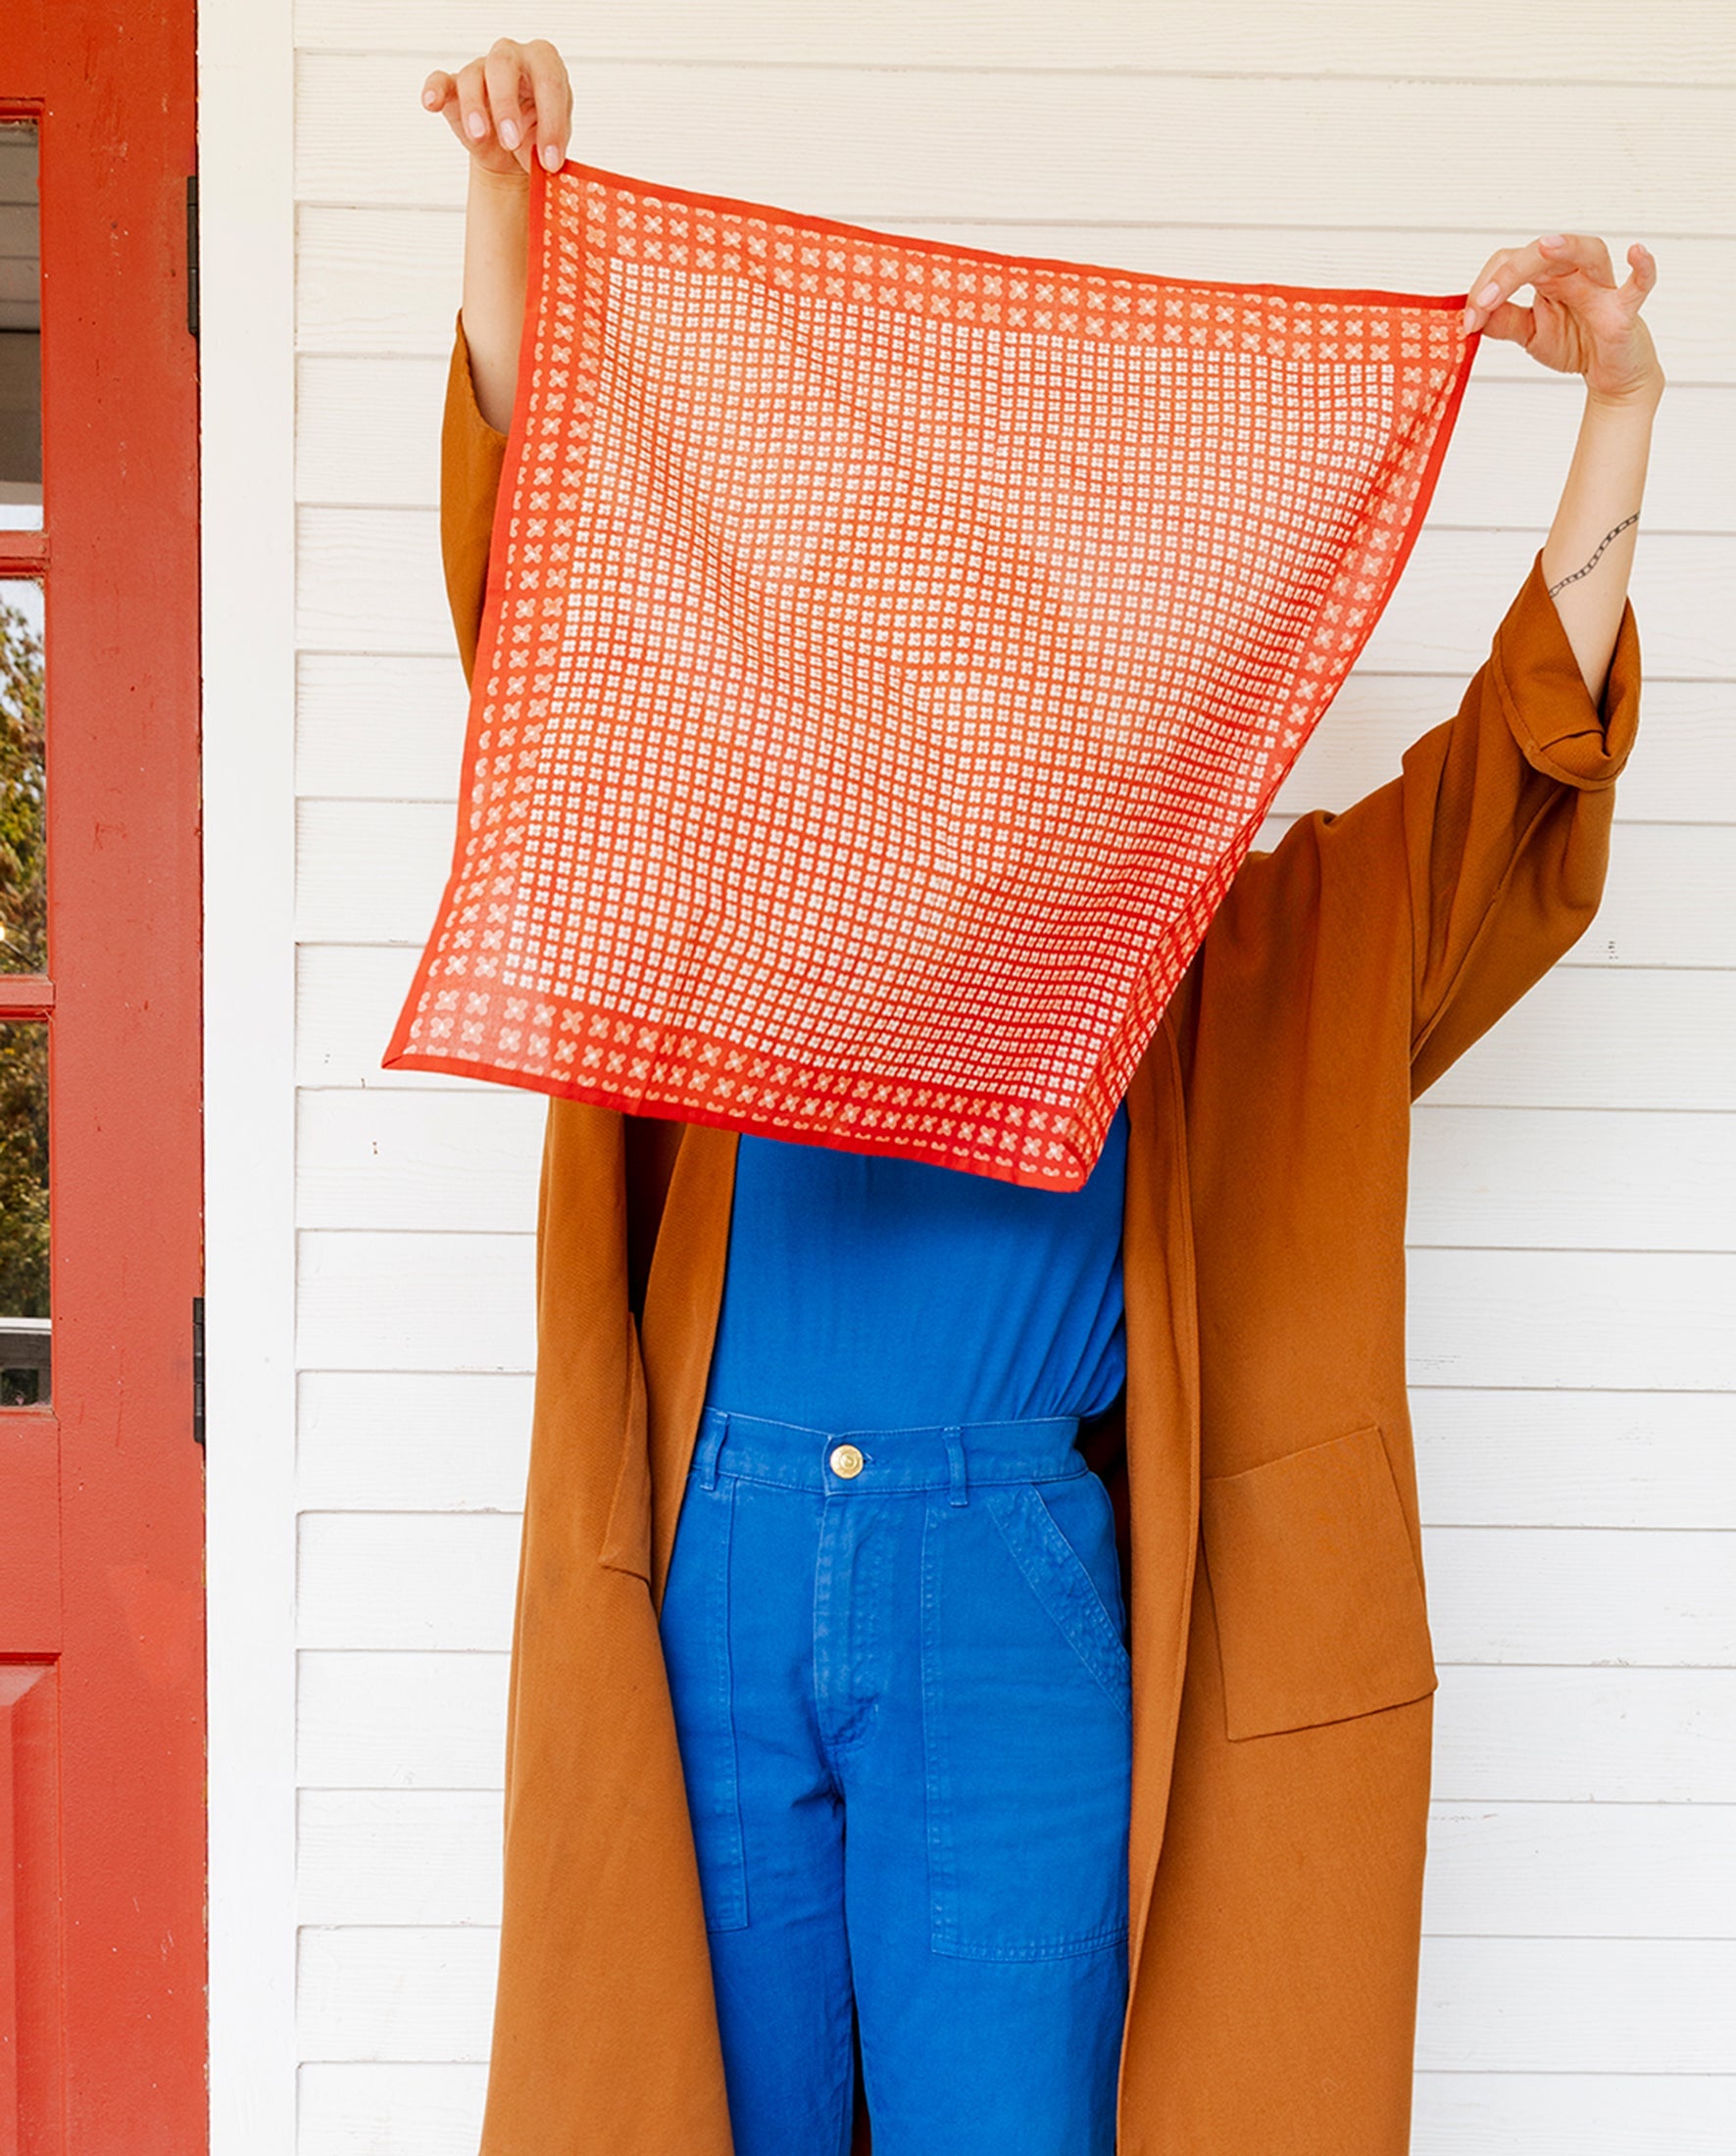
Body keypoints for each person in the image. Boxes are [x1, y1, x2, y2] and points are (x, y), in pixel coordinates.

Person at [420, 36, 1660, 2156]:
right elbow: (556, 597)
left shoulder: (1207, 949)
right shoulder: (725, 838)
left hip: (1001, 1584)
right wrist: (508, 201)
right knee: (703, 2104)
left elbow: (1493, 794)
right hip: (708, 1568)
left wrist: (1615, 411)